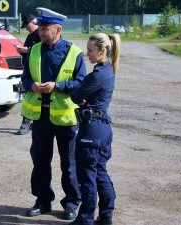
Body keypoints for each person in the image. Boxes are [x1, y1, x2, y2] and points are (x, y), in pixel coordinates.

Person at [21, 7, 86, 221]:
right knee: (40, 160)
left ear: (58, 29)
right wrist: (32, 87)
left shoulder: (74, 52)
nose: (40, 31)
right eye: (40, 27)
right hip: (41, 117)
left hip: (65, 118)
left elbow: (80, 83)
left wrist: (57, 86)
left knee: (69, 163)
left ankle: (71, 203)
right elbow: (25, 78)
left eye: (45, 28)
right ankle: (42, 201)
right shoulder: (35, 50)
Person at [70, 33, 121, 225]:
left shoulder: (97, 75)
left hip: (92, 130)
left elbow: (76, 96)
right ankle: (106, 216)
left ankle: (85, 219)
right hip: (102, 128)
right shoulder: (108, 70)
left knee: (87, 175)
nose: (87, 54)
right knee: (100, 171)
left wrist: (81, 98)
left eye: (90, 50)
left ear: (103, 51)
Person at [16, 14, 40, 135]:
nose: (26, 28)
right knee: (28, 99)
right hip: (29, 70)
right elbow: (28, 52)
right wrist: (22, 51)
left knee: (32, 98)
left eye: (27, 25)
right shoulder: (31, 36)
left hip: (38, 72)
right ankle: (28, 123)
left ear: (33, 22)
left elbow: (42, 50)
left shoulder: (42, 34)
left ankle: (27, 124)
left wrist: (28, 50)